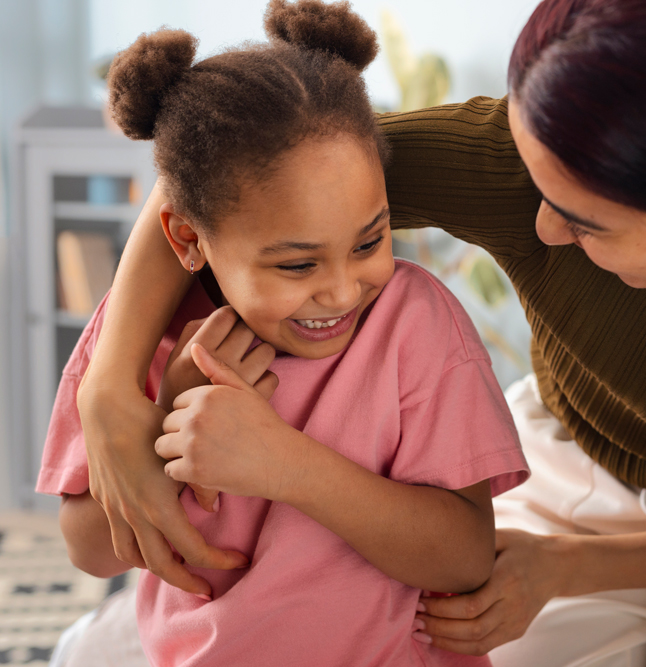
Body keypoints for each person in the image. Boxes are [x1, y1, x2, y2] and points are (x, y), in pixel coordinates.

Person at [70, 0, 646, 665]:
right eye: (536, 184)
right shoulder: (518, 164)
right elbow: (226, 163)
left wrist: (576, 564)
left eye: (585, 221)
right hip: (581, 465)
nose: (542, 229)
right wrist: (114, 390)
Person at [38, 3, 530, 665]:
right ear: (188, 238)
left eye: (369, 240)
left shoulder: (415, 322)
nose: (341, 289)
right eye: (297, 264)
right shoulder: (144, 339)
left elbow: (466, 558)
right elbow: (88, 549)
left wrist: (284, 465)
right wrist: (167, 427)